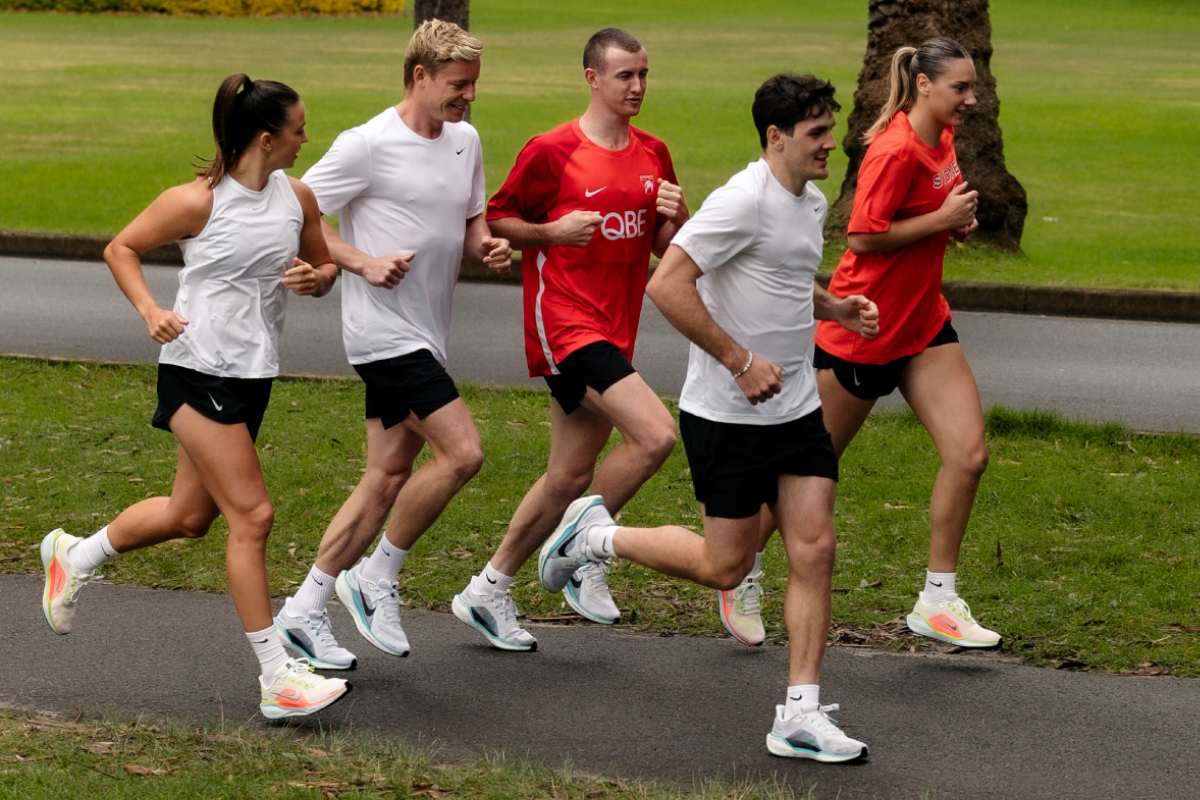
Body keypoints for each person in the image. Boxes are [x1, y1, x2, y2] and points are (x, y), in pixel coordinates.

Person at [537, 73, 876, 761]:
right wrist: (736, 358)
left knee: (815, 548)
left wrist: (833, 309)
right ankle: (597, 536)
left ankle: (799, 715)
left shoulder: (807, 203)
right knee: (727, 566)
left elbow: (776, 278)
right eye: (816, 133)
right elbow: (670, 283)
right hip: (726, 416)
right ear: (776, 138)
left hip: (797, 409)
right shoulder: (740, 200)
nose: (829, 145)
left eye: (828, 130)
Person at [40, 74, 350, 719]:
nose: (306, 137)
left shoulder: (299, 198)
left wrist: (312, 278)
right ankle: (276, 679)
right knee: (253, 517)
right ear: (267, 138)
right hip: (197, 371)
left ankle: (76, 553)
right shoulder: (197, 202)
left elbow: (324, 271)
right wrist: (151, 309)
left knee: (190, 517)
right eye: (299, 128)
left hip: (252, 374)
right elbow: (120, 247)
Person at [722, 37, 1000, 651]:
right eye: (960, 88)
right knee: (806, 474)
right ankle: (738, 572)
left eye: (971, 86)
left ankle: (938, 597)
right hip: (864, 331)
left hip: (923, 324)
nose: (971, 99)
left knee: (969, 454)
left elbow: (927, 213)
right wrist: (941, 221)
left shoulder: (942, 139)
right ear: (925, 86)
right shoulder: (894, 148)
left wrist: (952, 222)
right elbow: (863, 238)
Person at [270, 19, 511, 668]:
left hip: (429, 334)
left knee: (384, 478)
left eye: (473, 86)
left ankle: (303, 609)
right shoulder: (367, 144)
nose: (469, 97)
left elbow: (469, 222)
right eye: (458, 85)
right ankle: (376, 576)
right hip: (382, 334)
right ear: (420, 77)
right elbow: (297, 208)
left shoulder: (465, 141)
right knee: (462, 453)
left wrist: (486, 244)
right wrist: (360, 261)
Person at [451, 27, 688, 649]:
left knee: (567, 477)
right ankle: (585, 549)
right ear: (592, 78)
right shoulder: (552, 150)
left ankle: (487, 588)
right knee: (657, 433)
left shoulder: (654, 152)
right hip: (564, 324)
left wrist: (676, 215)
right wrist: (553, 233)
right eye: (624, 76)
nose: (636, 86)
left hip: (617, 328)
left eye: (643, 74)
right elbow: (497, 218)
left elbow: (666, 247)